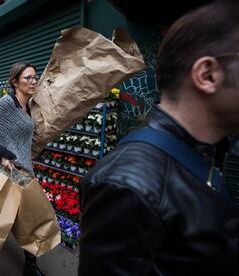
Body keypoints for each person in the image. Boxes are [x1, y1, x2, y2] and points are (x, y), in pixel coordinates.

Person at [79, 1, 239, 275]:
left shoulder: (211, 151)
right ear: (208, 74)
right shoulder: (127, 186)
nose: (32, 82)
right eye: (28, 78)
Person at [0, 63, 45, 276]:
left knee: (29, 218)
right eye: (28, 78)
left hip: (22, 170)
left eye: (35, 78)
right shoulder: (5, 103)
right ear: (14, 82)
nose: (33, 81)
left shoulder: (29, 106)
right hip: (3, 171)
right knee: (5, 217)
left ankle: (31, 265)